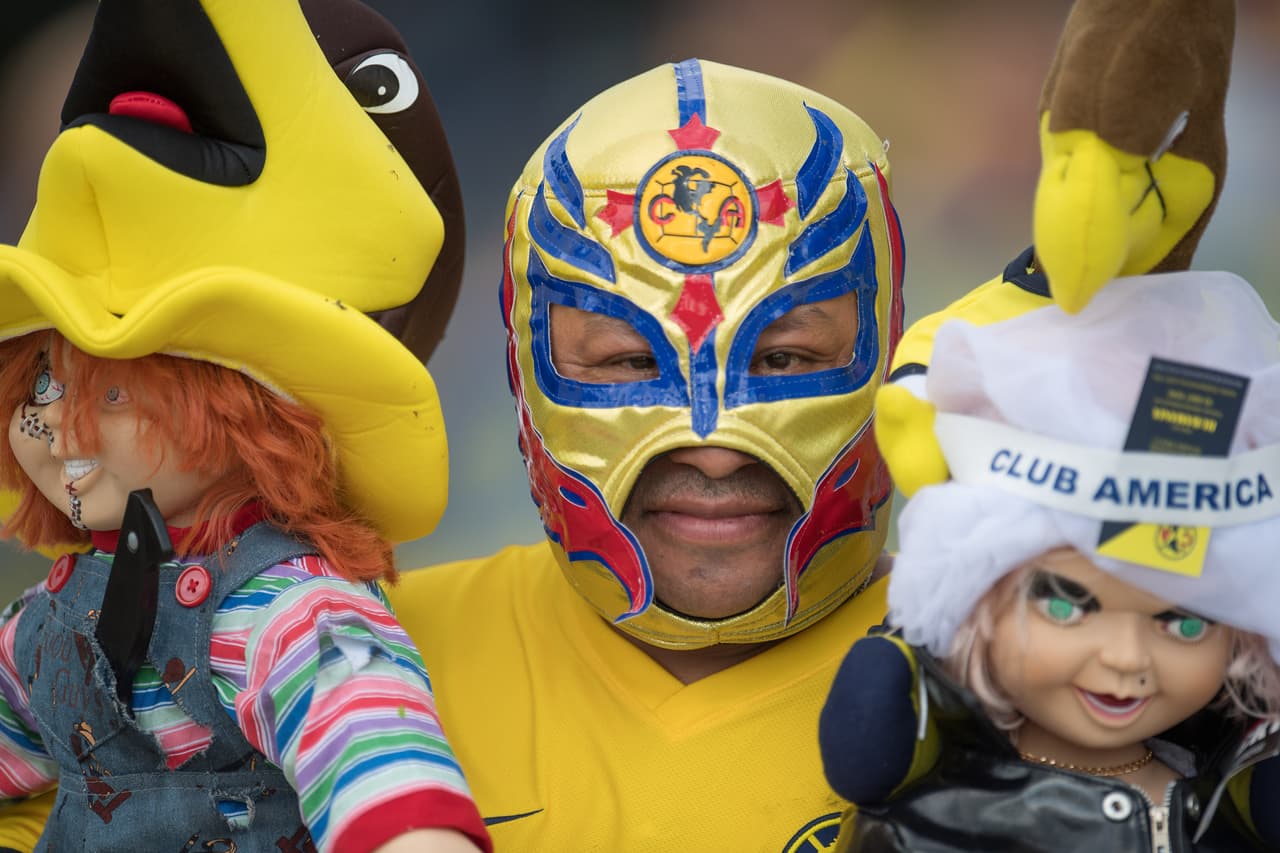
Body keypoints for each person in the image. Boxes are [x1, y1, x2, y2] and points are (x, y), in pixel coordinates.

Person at [0, 0, 487, 849]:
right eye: (41, 384)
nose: (55, 428)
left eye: (111, 395)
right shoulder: (44, 618)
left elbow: (383, 776)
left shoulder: (294, 615)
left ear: (246, 414)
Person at [389, 57, 905, 851]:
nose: (715, 449)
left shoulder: (1038, 673)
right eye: (630, 361)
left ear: (894, 349)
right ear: (521, 365)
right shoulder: (361, 666)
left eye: (785, 359)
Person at [819, 271, 1280, 851]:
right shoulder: (933, 827)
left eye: (1185, 623)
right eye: (1065, 606)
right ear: (974, 604)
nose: (1126, 658)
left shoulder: (1224, 811)